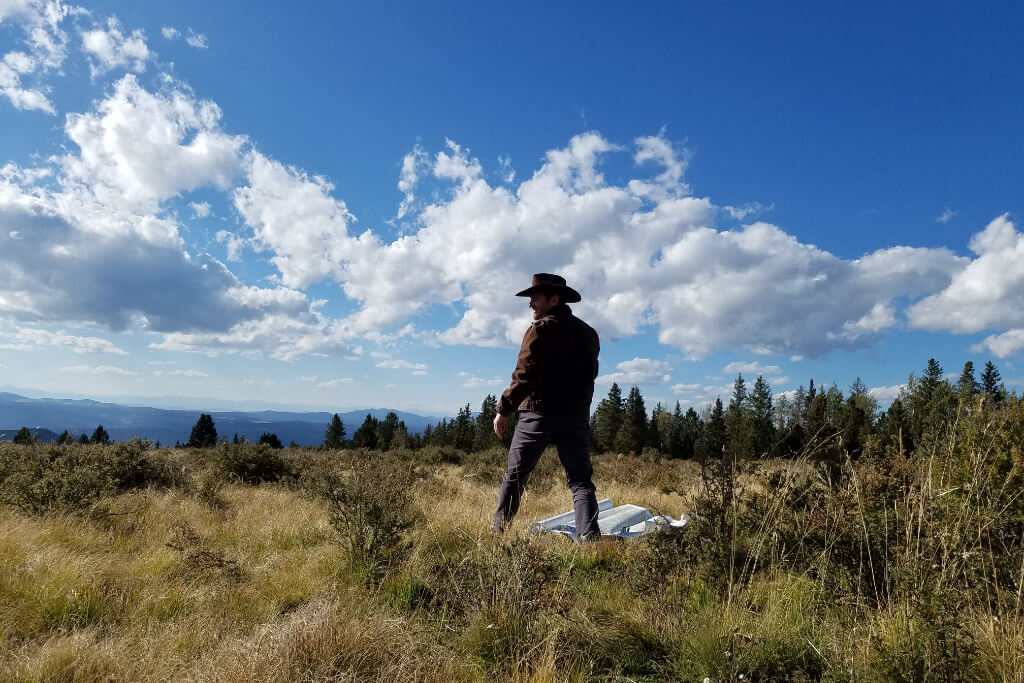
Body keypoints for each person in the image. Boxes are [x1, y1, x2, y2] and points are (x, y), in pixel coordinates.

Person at [492, 273, 602, 541]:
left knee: (515, 476)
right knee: (580, 482)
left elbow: (524, 376)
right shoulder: (589, 333)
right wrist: (579, 413)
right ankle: (589, 538)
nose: (530, 304)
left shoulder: (539, 329)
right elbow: (591, 377)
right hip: (574, 418)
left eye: (535, 298)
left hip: (538, 415)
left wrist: (504, 410)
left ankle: (498, 534)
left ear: (555, 299)